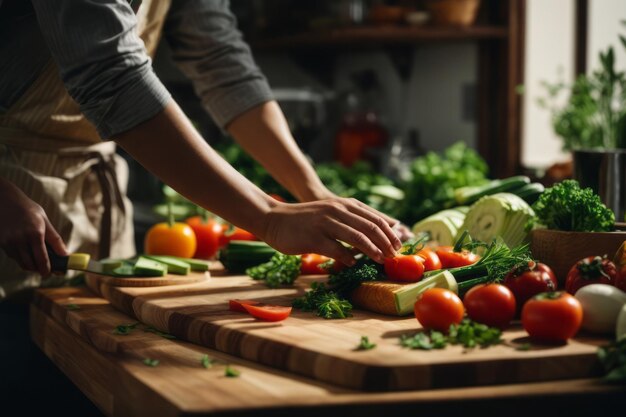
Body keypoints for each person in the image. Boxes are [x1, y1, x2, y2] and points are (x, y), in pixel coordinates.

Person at [0, 0, 410, 301]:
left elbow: (223, 66)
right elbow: (110, 77)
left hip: (95, 199)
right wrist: (268, 217)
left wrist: (314, 192)